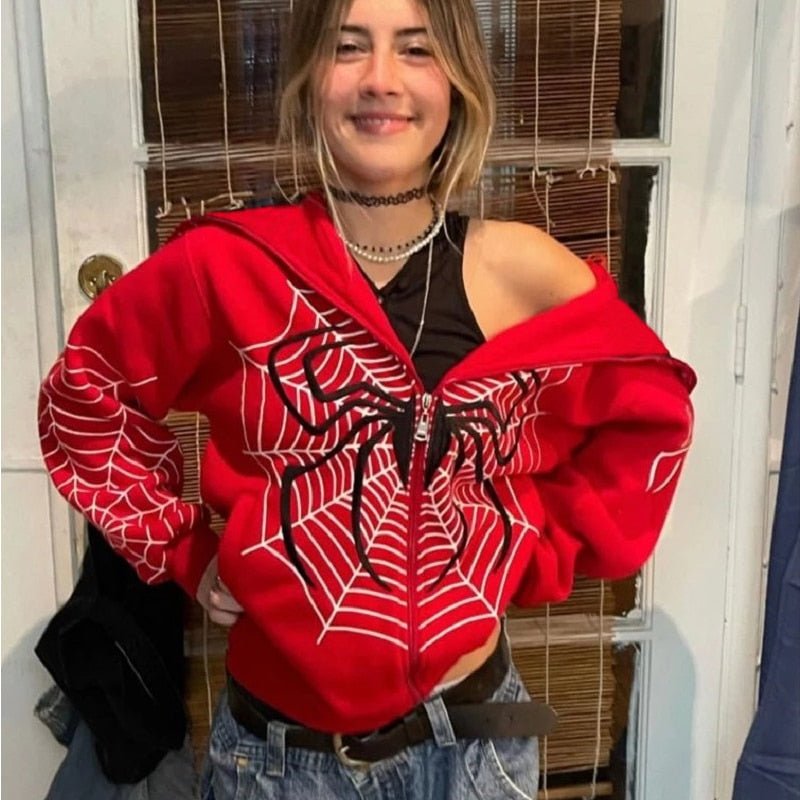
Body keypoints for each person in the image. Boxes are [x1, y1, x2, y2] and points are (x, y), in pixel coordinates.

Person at [38, 0, 696, 797]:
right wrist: (187, 554)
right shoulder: (227, 268)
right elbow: (89, 393)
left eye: (416, 50)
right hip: (278, 760)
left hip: (473, 750)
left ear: (457, 83)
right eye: (349, 48)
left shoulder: (524, 270)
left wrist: (535, 547)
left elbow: (650, 411)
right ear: (308, 78)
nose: (382, 79)